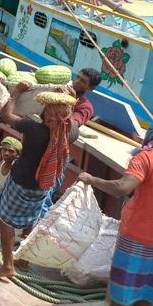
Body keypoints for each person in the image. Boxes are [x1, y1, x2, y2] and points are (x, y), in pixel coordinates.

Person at [77, 122, 153, 306]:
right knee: (149, 290)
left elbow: (123, 187)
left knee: (122, 287)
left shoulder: (145, 158)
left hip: (136, 236)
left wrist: (92, 180)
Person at [0, 84, 77, 279]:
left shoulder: (33, 128)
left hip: (21, 183)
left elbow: (7, 116)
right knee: (31, 221)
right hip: (43, 186)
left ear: (47, 111)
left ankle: (8, 265)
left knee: (6, 221)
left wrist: (16, 93)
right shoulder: (70, 132)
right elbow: (70, 120)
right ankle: (23, 259)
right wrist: (69, 102)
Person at [42, 67, 102, 214]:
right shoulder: (59, 91)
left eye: (83, 81)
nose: (77, 82)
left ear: (91, 88)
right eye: (78, 77)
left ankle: (38, 232)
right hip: (41, 145)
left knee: (45, 196)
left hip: (57, 155)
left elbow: (72, 125)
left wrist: (65, 103)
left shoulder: (85, 107)